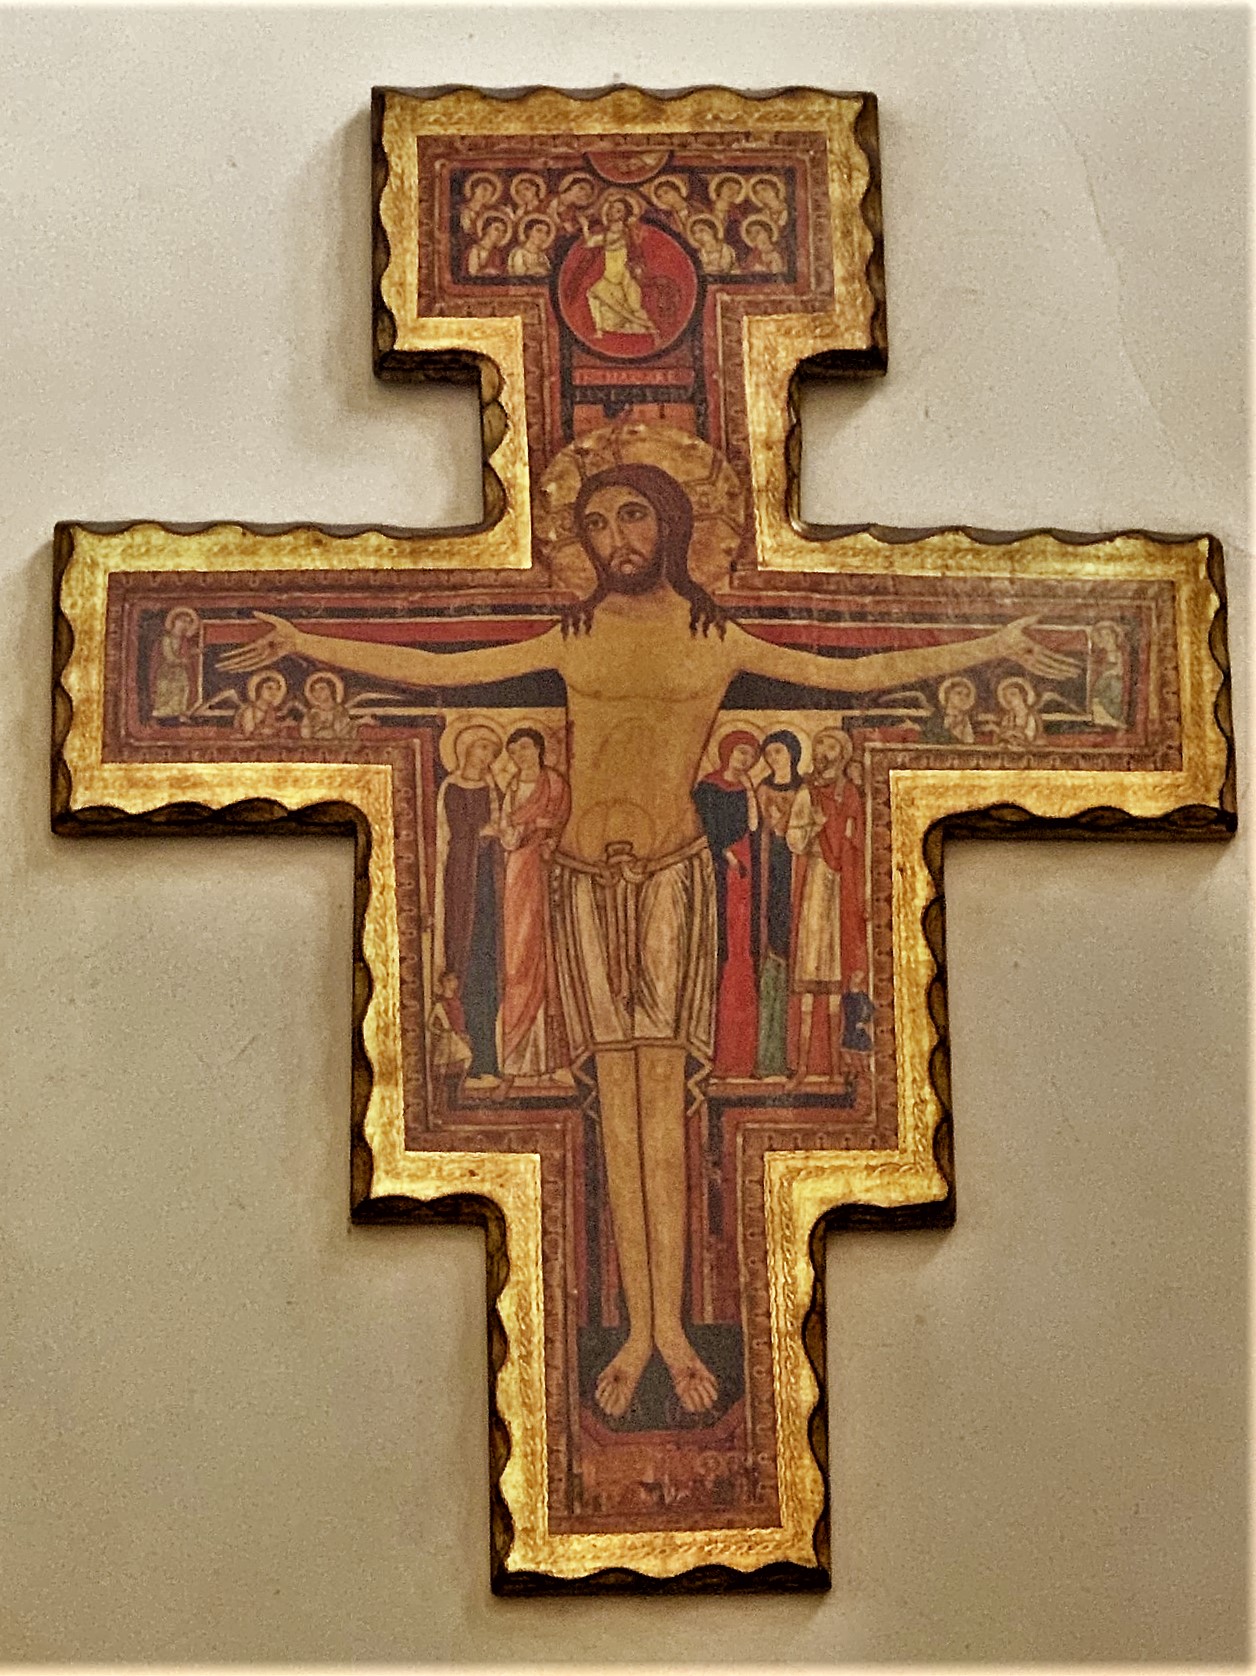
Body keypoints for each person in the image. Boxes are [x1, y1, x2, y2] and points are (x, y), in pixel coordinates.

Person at [221, 459, 1077, 1421]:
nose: (615, 538)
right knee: (614, 1112)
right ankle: (638, 1328)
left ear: (669, 524)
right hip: (580, 886)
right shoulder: (572, 638)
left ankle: (668, 1330)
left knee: (660, 1112)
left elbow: (853, 674)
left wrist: (991, 642)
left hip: (672, 881)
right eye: (596, 524)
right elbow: (439, 668)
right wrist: (305, 640)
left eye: (632, 516)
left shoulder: (716, 641)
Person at [786, 729, 866, 1085]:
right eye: (819, 745)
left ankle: (835, 1068)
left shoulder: (849, 793)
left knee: (836, 972)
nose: (823, 752)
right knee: (808, 972)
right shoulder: (807, 793)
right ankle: (803, 1067)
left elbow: (857, 839)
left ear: (842, 754)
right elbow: (794, 839)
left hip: (840, 884)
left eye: (831, 746)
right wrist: (813, 827)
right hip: (815, 879)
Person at [496, 727, 571, 1091]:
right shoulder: (512, 789)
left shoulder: (555, 784)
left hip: (551, 870)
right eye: (514, 751)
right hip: (520, 871)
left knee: (553, 957)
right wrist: (527, 825)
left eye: (525, 748)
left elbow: (567, 826)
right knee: (519, 957)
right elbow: (506, 833)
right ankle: (516, 1059)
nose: (520, 756)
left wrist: (549, 832)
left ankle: (556, 1061)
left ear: (539, 749)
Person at [435, 724, 504, 1082]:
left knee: (489, 970)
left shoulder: (495, 790)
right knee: (465, 960)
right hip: (463, 883)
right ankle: (469, 1060)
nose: (486, 757)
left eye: (491, 752)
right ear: (466, 750)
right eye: (481, 748)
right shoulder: (452, 787)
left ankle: (489, 1060)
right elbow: (457, 832)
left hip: (489, 883)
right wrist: (481, 834)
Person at [694, 730, 761, 1079]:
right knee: (725, 943)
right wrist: (727, 856)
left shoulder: (745, 789)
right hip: (721, 871)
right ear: (726, 753)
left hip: (744, 869)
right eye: (740, 752)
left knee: (743, 945)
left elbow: (753, 828)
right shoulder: (708, 788)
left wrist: (749, 792)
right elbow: (704, 829)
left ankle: (743, 1050)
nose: (744, 759)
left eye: (750, 755)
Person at [753, 729, 804, 1078]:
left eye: (779, 752)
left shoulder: (805, 789)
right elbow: (758, 831)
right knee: (772, 950)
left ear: (793, 754)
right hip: (771, 870)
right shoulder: (762, 789)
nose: (773, 758)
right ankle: (767, 1057)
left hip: (796, 870)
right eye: (769, 753)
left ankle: (791, 1055)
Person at [578, 196, 660, 341]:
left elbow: (593, 242)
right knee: (593, 294)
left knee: (634, 308)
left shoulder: (625, 233)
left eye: (618, 210)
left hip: (622, 277)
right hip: (609, 277)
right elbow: (589, 243)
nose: (612, 212)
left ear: (624, 215)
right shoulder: (607, 234)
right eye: (611, 208)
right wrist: (585, 226)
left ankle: (652, 330)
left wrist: (586, 227)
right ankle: (599, 330)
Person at [427, 971, 473, 1110]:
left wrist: (463, 1034)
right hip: (446, 1038)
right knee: (442, 1067)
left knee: (467, 1057)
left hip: (455, 1037)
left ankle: (458, 1092)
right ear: (445, 983)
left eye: (455, 980)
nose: (456, 983)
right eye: (452, 980)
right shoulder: (440, 1004)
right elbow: (429, 1024)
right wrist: (440, 1032)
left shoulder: (457, 1002)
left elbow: (460, 1022)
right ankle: (437, 1100)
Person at [150, 606, 201, 719]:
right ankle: (163, 715)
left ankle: (181, 714)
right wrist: (183, 660)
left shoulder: (185, 641)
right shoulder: (167, 639)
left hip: (181, 672)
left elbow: (186, 652)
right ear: (174, 621)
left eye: (188, 622)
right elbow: (169, 658)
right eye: (182, 621)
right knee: (168, 694)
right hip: (167, 673)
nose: (185, 625)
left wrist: (194, 652)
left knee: (183, 692)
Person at [233, 670, 296, 740]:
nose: (273, 692)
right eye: (269, 688)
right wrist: (280, 726)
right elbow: (249, 733)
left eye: (277, 689)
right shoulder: (250, 711)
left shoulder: (271, 711)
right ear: (259, 689)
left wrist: (284, 726)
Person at [298, 671, 358, 741]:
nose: (318, 693)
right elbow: (305, 734)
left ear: (331, 689)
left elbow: (342, 734)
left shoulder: (339, 710)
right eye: (314, 690)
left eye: (322, 689)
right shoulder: (312, 713)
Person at [1090, 621, 1127, 727]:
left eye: (1108, 634)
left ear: (1115, 636)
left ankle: (1116, 718)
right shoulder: (1100, 655)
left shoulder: (1121, 654)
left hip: (1116, 687)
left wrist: (1109, 674)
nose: (1107, 639)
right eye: (1103, 636)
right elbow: (1095, 672)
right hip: (1102, 688)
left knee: (1116, 684)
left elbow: (1121, 671)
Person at [993, 676, 1042, 747]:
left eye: (1013, 694)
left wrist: (1013, 733)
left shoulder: (1030, 716)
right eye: (1005, 695)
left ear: (1023, 695)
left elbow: (1030, 737)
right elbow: (1001, 735)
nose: (1009, 698)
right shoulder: (1007, 717)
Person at [466, 211, 511, 277]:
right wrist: (488, 271)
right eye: (497, 229)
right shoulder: (475, 250)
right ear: (487, 229)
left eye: (503, 231)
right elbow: (472, 275)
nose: (500, 234)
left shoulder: (498, 253)